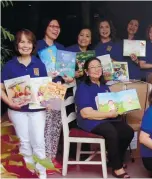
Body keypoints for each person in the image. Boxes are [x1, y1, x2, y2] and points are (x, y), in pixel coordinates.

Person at [75, 57, 134, 178]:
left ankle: (114, 160)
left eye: (99, 66)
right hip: (89, 120)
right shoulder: (83, 87)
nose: (97, 69)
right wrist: (109, 114)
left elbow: (110, 105)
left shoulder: (104, 86)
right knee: (111, 132)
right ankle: (117, 168)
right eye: (93, 67)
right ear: (86, 72)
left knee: (128, 131)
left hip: (106, 118)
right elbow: (86, 113)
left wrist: (121, 108)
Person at [1, 29, 48, 179]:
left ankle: (42, 172)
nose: (25, 45)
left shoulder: (39, 64)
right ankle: (29, 172)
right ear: (17, 45)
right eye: (22, 41)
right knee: (24, 142)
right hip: (17, 111)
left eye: (28, 42)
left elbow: (45, 89)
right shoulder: (10, 65)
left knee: (39, 141)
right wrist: (9, 102)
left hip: (37, 111)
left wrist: (47, 100)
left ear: (33, 45)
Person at [36, 18, 74, 174]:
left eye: (58, 27)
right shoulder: (37, 45)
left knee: (54, 125)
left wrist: (69, 77)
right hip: (41, 88)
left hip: (57, 88)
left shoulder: (61, 48)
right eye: (51, 26)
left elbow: (67, 72)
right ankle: (40, 158)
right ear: (45, 28)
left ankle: (51, 158)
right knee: (40, 125)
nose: (55, 29)